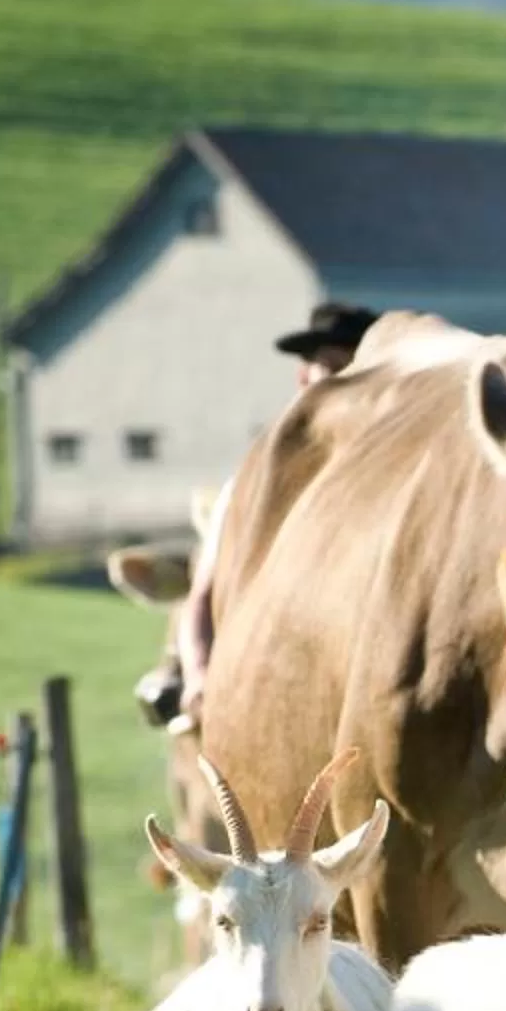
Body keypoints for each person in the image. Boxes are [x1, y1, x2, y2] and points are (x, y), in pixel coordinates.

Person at [145, 301, 377, 731]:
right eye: (331, 368)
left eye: (354, 370)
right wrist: (199, 679)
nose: (342, 385)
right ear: (303, 376)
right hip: (270, 699)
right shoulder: (258, 483)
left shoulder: (390, 478)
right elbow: (204, 594)